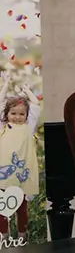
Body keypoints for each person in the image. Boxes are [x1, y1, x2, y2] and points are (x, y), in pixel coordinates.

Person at [0, 74, 41, 242]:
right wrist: (5, 85)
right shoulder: (3, 127)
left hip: (21, 177)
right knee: (2, 207)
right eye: (13, 113)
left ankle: (23, 235)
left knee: (21, 208)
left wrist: (27, 91)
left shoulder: (28, 128)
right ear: (7, 114)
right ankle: (4, 235)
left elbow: (36, 105)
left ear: (26, 115)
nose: (17, 117)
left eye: (21, 114)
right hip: (3, 177)